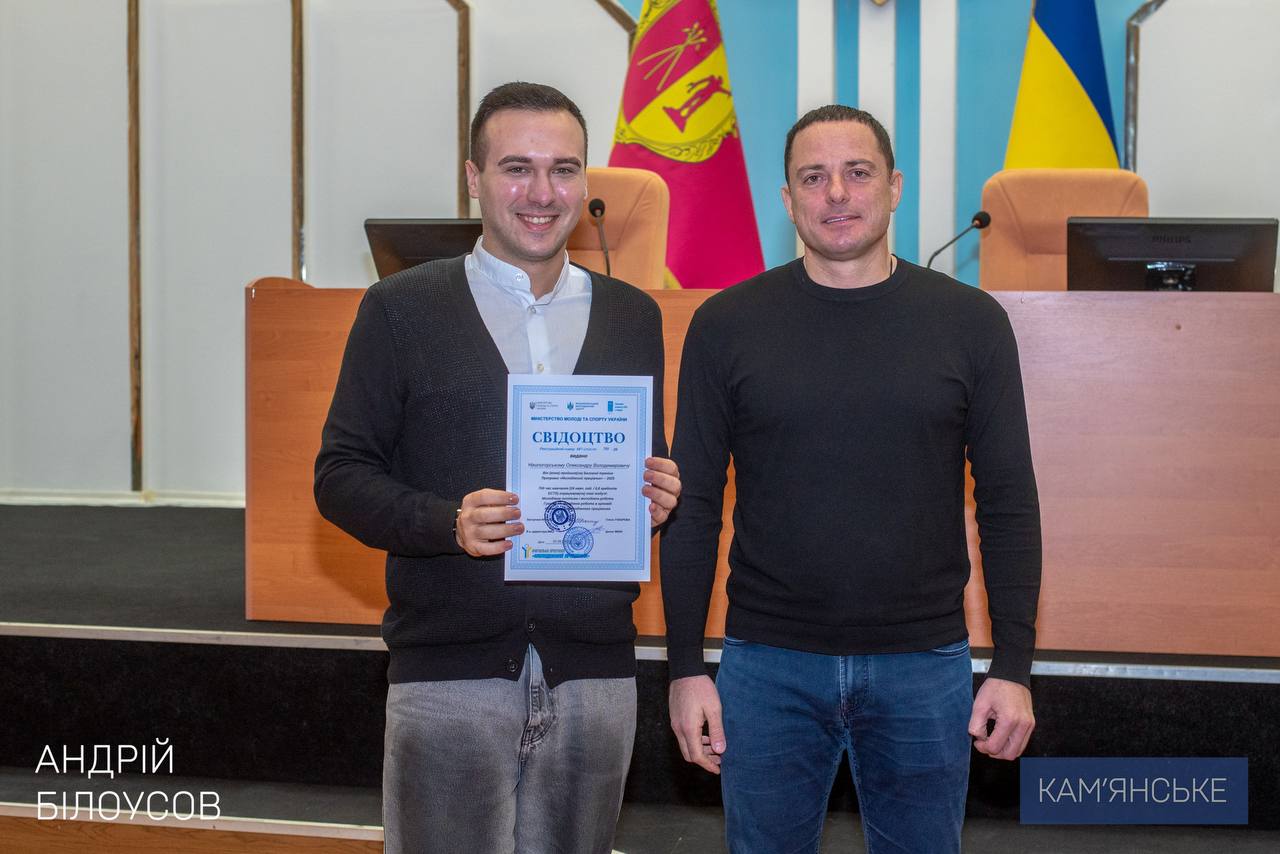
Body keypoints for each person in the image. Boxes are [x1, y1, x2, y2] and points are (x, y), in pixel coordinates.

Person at [659, 104, 1041, 853]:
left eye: (857, 172)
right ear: (787, 199)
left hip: (924, 667)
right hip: (765, 667)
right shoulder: (725, 324)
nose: (836, 192)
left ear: (894, 187)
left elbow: (1008, 504)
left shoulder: (972, 323)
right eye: (813, 177)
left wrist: (1014, 665)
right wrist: (683, 668)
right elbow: (692, 505)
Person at [314, 81, 681, 854]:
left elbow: (636, 473)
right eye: (518, 168)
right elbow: (340, 475)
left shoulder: (633, 316)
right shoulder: (399, 309)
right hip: (450, 675)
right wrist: (445, 522)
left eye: (564, 169)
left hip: (595, 676)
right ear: (474, 179)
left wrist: (654, 497)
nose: (542, 193)